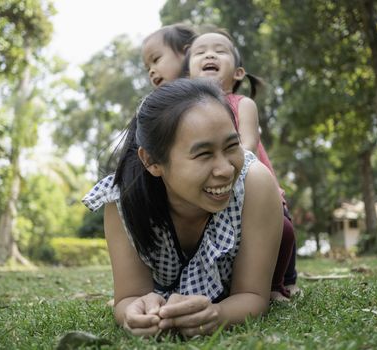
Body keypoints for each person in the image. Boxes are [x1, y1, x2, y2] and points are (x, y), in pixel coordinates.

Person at [82, 79, 288, 337]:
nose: (225, 169)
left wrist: (217, 315)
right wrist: (134, 312)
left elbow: (252, 295)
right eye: (203, 154)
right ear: (152, 161)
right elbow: (129, 297)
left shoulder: (255, 182)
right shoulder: (123, 199)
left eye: (231, 146)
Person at [187, 30, 299, 300]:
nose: (210, 54)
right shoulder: (186, 109)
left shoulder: (242, 104)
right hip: (211, 187)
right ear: (187, 73)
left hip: (249, 182)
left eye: (219, 51)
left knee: (281, 229)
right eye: (200, 52)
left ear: (238, 73)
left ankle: (280, 281)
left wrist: (228, 165)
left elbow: (247, 144)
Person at [142, 23, 197, 88]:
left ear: (187, 53)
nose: (151, 72)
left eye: (156, 59)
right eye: (148, 69)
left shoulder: (207, 87)